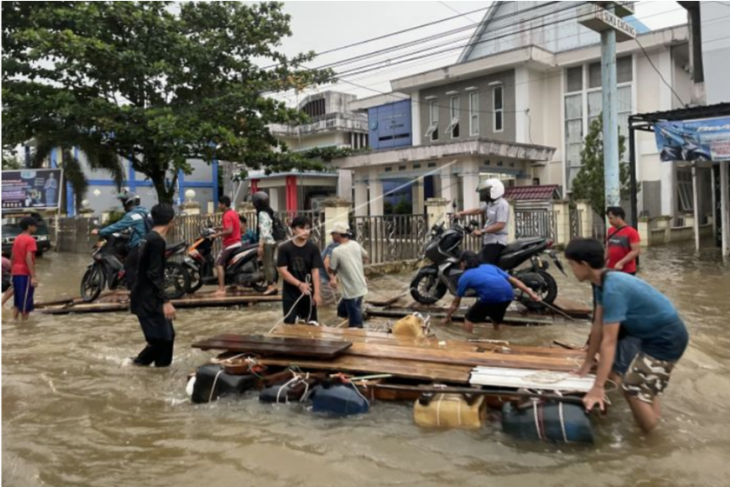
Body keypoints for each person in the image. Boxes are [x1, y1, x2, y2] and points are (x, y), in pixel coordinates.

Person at [566, 238, 689, 433]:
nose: (571, 269)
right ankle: (653, 423)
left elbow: (609, 341)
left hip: (666, 338)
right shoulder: (601, 283)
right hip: (651, 335)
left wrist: (598, 387)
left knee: (632, 391)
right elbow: (597, 326)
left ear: (584, 265)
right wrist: (588, 362)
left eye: (571, 264)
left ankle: (652, 442)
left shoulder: (613, 289)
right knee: (641, 387)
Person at [128, 203, 177, 367]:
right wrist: (166, 301)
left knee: (167, 336)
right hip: (147, 299)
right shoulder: (156, 241)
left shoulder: (148, 238)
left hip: (146, 296)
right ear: (171, 221)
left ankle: (160, 373)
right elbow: (154, 273)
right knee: (161, 339)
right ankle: (136, 365)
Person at [445, 251, 540, 332]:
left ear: (464, 262)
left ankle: (467, 344)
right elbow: (514, 280)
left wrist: (447, 317)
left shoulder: (465, 277)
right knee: (495, 320)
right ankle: (498, 337)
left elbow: (455, 302)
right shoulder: (490, 267)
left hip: (491, 297)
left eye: (460, 263)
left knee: (469, 318)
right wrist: (532, 294)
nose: (460, 265)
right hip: (508, 295)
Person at [93, 191, 149, 290]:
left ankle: (133, 292)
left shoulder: (131, 215)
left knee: (129, 267)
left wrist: (100, 231)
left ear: (128, 203)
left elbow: (117, 226)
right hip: (149, 243)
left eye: (124, 202)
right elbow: (138, 228)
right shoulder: (145, 212)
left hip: (139, 244)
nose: (123, 205)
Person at [276, 216, 324, 324]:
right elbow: (283, 271)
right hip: (291, 292)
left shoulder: (313, 248)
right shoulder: (284, 248)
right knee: (290, 323)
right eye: (301, 228)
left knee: (311, 324)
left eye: (307, 228)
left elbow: (315, 271)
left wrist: (317, 293)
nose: (305, 231)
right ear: (293, 230)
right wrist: (299, 284)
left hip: (308, 292)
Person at [456, 178, 509, 265]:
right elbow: (478, 210)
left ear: (495, 191)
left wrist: (482, 231)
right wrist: (461, 213)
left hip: (496, 242)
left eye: (487, 192)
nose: (485, 194)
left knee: (484, 266)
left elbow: (500, 225)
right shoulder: (490, 203)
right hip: (489, 240)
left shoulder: (502, 205)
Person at [329, 222, 369, 328]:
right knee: (342, 310)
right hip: (361, 285)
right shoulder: (355, 244)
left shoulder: (336, 251)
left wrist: (332, 278)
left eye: (333, 233)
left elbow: (331, 269)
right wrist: (360, 271)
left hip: (352, 290)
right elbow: (366, 256)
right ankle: (349, 319)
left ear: (338, 234)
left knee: (356, 324)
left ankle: (357, 339)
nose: (332, 236)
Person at [211, 196, 241, 296]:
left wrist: (216, 235)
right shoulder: (233, 213)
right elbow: (229, 227)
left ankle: (221, 288)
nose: (218, 206)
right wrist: (217, 228)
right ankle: (233, 284)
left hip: (231, 243)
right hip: (236, 242)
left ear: (224, 204)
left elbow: (229, 230)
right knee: (227, 264)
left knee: (218, 264)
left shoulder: (227, 215)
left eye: (219, 204)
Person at [10, 217, 38, 320]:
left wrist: (12, 271)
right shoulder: (30, 240)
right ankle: (25, 329)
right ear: (29, 226)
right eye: (34, 225)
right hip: (24, 273)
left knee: (17, 301)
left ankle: (15, 322)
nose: (36, 227)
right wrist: (33, 276)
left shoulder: (17, 238)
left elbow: (12, 256)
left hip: (16, 272)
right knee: (26, 303)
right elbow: (28, 258)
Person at [253, 191, 279, 296]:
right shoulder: (269, 211)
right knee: (271, 265)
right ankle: (274, 285)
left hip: (267, 242)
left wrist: (260, 245)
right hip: (273, 241)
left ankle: (270, 287)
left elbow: (264, 230)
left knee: (267, 265)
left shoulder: (262, 213)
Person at [605, 206, 640, 275]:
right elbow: (608, 247)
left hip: (627, 270)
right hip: (611, 269)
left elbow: (636, 251)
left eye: (611, 218)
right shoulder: (610, 230)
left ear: (619, 217)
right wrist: (603, 261)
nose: (609, 221)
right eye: (608, 218)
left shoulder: (631, 232)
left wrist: (621, 263)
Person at [320, 238, 339, 306]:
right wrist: (332, 278)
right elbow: (326, 262)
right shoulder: (336, 244)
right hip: (322, 278)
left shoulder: (334, 243)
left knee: (337, 299)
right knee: (329, 305)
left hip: (325, 277)